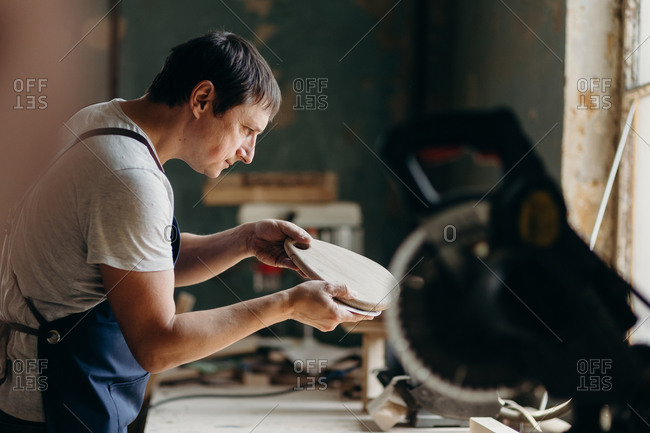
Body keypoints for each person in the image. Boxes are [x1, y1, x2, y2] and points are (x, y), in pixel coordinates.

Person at [0, 30, 371, 432]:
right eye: (248, 130)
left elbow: (139, 269)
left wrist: (243, 240)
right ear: (202, 99)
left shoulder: (100, 120)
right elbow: (157, 346)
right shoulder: (129, 180)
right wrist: (287, 305)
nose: (249, 153)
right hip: (53, 415)